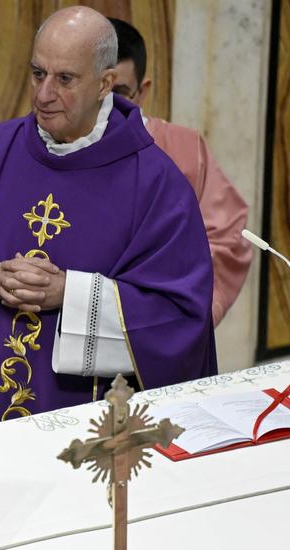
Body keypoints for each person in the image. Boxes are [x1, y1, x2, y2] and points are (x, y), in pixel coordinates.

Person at [0, 6, 216, 431]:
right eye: (37, 73)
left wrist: (73, 294)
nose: (43, 94)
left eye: (65, 79)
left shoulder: (157, 186)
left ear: (105, 83)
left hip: (89, 427)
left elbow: (181, 320)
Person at [109, 17, 251, 326]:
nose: (106, 107)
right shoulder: (54, 148)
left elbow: (227, 237)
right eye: (98, 91)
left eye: (118, 93)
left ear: (142, 91)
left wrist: (184, 311)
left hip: (159, 327)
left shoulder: (183, 149)